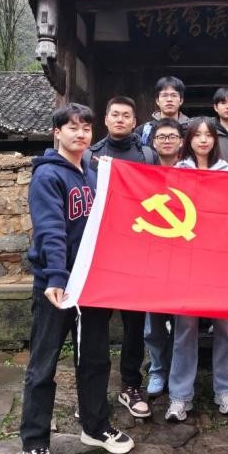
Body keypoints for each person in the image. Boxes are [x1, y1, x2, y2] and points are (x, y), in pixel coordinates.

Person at [20, 103, 133, 454]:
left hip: (92, 284)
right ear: (57, 132)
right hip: (56, 286)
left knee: (96, 359)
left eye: (86, 127)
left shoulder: (95, 174)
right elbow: (50, 229)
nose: (81, 133)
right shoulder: (47, 175)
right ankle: (34, 442)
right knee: (43, 365)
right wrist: (55, 277)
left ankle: (95, 426)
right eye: (72, 127)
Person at [86, 96, 155, 419]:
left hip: (137, 250)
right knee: (96, 325)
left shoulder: (147, 154)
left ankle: (131, 384)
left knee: (134, 324)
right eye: (115, 114)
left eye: (126, 115)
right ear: (106, 119)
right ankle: (92, 392)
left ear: (134, 121)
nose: (120, 120)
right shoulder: (90, 154)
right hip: (101, 250)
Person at [166, 117, 228, 421]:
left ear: (215, 140)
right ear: (189, 140)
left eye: (209, 135)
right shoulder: (178, 172)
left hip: (220, 260)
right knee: (185, 328)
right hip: (187, 261)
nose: (204, 140)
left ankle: (226, 390)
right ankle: (179, 396)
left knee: (225, 327)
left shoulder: (227, 173)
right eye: (198, 135)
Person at [143, 117, 183, 395]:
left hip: (185, 256)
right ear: (153, 142)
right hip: (153, 257)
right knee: (153, 323)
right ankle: (157, 369)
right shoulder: (142, 173)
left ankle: (179, 372)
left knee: (184, 323)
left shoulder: (193, 171)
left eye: (172, 137)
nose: (167, 141)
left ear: (181, 142)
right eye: (161, 137)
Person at [136, 76, 191, 146]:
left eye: (174, 95)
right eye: (164, 95)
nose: (169, 99)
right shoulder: (144, 131)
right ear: (157, 101)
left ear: (181, 100)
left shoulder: (191, 129)